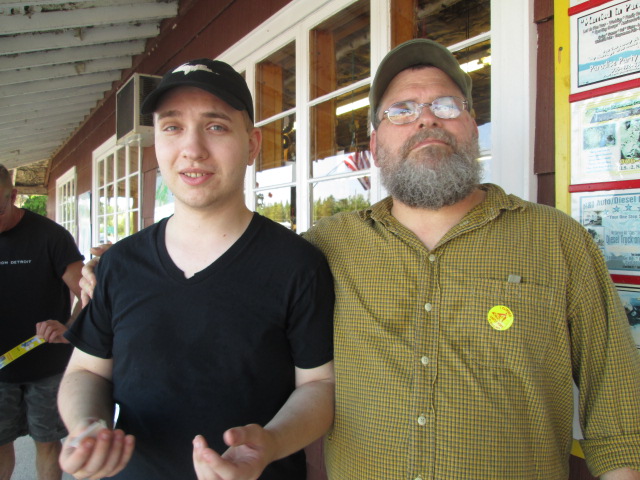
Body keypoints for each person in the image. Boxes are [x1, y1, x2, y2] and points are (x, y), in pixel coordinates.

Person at [79, 40, 640, 480]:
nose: (426, 119)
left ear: (471, 124)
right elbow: (229, 268)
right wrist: (111, 276)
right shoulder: (326, 248)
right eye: (402, 110)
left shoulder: (556, 241)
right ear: (375, 144)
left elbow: (617, 412)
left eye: (446, 105)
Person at [57, 58, 335, 480]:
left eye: (216, 126)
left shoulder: (298, 264)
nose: (192, 148)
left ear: (252, 144)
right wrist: (86, 426)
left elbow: (318, 386)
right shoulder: (119, 263)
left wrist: (271, 443)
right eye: (172, 127)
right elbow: (85, 371)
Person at [0, 164, 84, 480]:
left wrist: (72, 327)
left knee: (47, 443)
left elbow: (89, 294)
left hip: (47, 366)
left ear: (13, 196)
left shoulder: (51, 236)